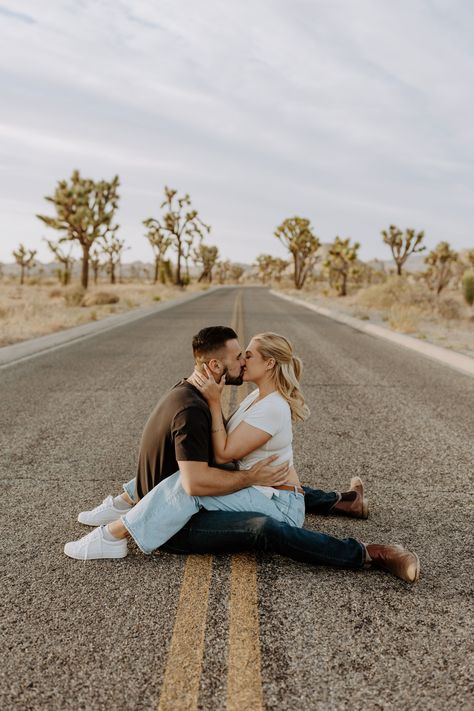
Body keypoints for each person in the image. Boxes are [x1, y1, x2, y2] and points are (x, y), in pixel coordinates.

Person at [64, 326, 419, 583]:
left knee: (190, 486)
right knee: (212, 476)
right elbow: (228, 459)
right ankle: (129, 500)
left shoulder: (271, 407)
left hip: (279, 504)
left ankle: (115, 533)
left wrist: (216, 404)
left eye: (248, 354)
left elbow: (222, 453)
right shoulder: (253, 397)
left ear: (268, 365)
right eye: (241, 354)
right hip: (270, 490)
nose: (243, 359)